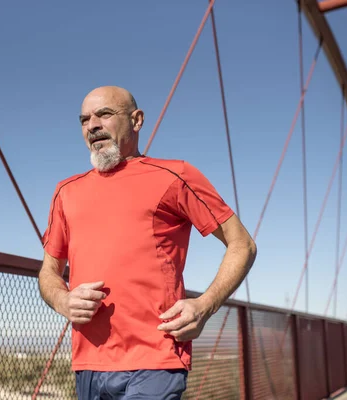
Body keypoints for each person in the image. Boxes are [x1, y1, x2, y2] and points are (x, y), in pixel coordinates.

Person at [38, 86, 257, 399]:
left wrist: (204, 306)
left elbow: (242, 244)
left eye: (105, 114)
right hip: (88, 361)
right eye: (85, 120)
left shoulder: (176, 175)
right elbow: (49, 272)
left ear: (136, 120)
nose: (93, 125)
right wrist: (62, 301)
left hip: (156, 358)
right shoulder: (65, 192)